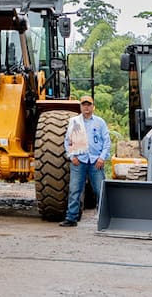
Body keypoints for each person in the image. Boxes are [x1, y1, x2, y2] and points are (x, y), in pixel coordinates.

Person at [59, 95, 110, 227]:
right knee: (75, 189)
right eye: (84, 105)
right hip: (79, 161)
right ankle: (71, 218)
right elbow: (67, 141)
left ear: (93, 106)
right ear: (80, 107)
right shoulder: (75, 122)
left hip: (95, 161)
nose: (86, 107)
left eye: (89, 105)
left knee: (100, 190)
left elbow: (107, 142)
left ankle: (103, 219)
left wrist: (102, 158)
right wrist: (72, 157)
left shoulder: (100, 122)